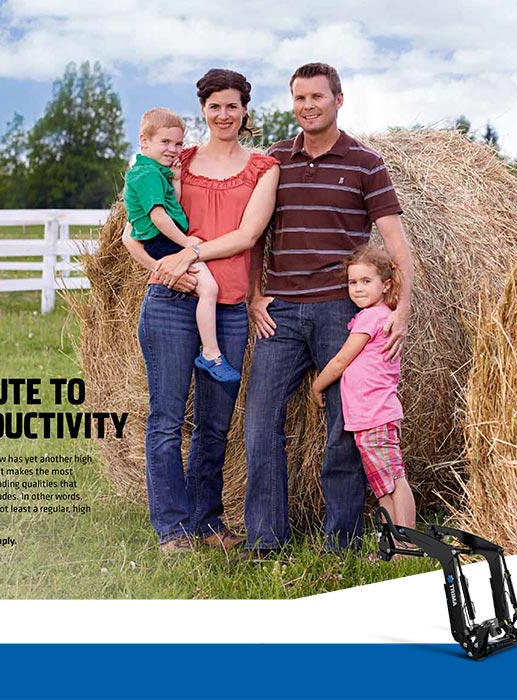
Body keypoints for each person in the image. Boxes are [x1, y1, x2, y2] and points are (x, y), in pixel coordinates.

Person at [244, 62, 416, 555]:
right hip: (280, 310)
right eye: (299, 98)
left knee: (344, 427)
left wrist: (402, 308)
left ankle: (340, 541)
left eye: (316, 97)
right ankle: (265, 539)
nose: (307, 106)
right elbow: (255, 232)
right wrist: (256, 293)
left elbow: (396, 246)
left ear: (338, 100)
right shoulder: (273, 161)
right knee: (259, 422)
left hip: (340, 314)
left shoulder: (366, 163)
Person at [123, 68, 279, 556]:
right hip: (170, 303)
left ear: (245, 110)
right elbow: (132, 228)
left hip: (228, 306)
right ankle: (173, 530)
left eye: (232, 105)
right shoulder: (174, 161)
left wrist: (190, 254)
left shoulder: (263, 167)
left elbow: (249, 236)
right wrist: (160, 268)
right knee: (167, 420)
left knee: (214, 425)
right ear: (203, 111)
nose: (224, 114)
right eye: (214, 106)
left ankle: (207, 522)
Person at [124, 107, 240, 385]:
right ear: (144, 141)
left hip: (164, 240)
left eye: (178, 143)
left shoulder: (153, 171)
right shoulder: (148, 175)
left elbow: (172, 204)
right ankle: (211, 353)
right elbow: (159, 216)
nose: (173, 149)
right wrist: (186, 243)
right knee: (209, 288)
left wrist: (175, 180)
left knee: (203, 287)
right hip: (163, 242)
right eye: (165, 142)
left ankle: (209, 350)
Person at [307, 246, 416, 543]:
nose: (358, 288)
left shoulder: (371, 318)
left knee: (393, 480)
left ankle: (408, 540)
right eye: (353, 282)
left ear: (386, 284)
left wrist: (317, 385)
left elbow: (341, 360)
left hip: (375, 415)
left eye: (366, 281)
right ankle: (394, 542)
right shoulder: (380, 316)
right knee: (382, 484)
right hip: (368, 417)